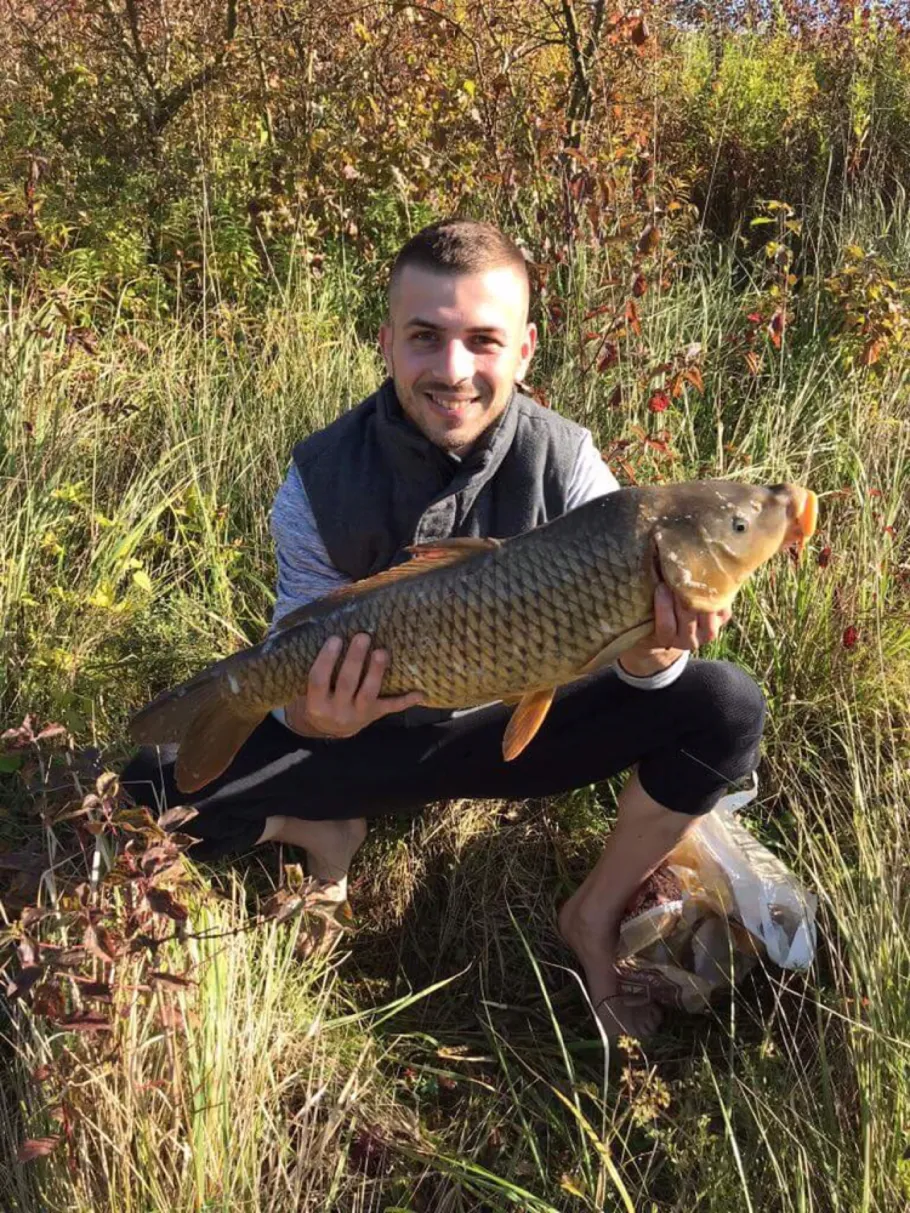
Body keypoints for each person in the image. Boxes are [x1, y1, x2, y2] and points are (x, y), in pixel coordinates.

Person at [121, 218, 766, 1038]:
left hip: (520, 728)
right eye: (426, 337)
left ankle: (592, 915)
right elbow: (297, 644)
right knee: (145, 792)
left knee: (724, 704)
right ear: (387, 341)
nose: (453, 370)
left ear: (526, 350)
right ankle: (323, 828)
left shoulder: (571, 465)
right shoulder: (319, 478)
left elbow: (648, 677)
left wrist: (655, 651)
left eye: (483, 341)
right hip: (373, 731)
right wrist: (312, 716)